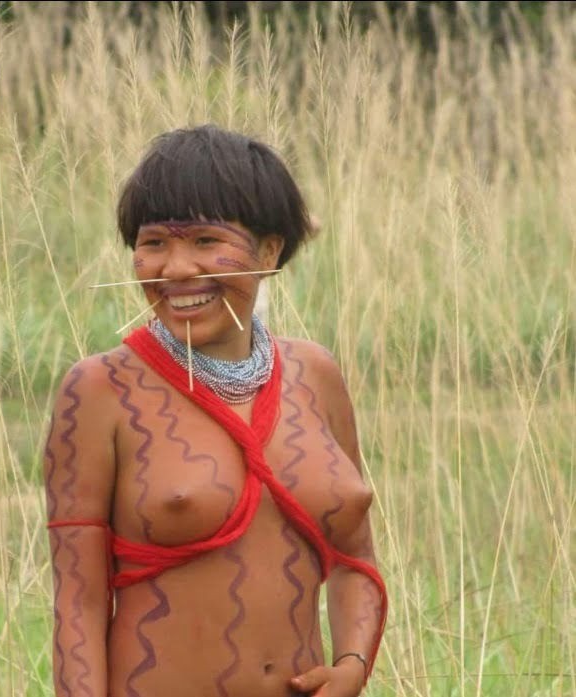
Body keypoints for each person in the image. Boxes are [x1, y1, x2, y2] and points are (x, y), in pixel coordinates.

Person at [43, 125, 387, 697]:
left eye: (205, 241)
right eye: (155, 243)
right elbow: (78, 601)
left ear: (269, 251)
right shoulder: (100, 390)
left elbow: (355, 557)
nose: (176, 269)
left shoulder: (315, 374)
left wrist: (353, 663)